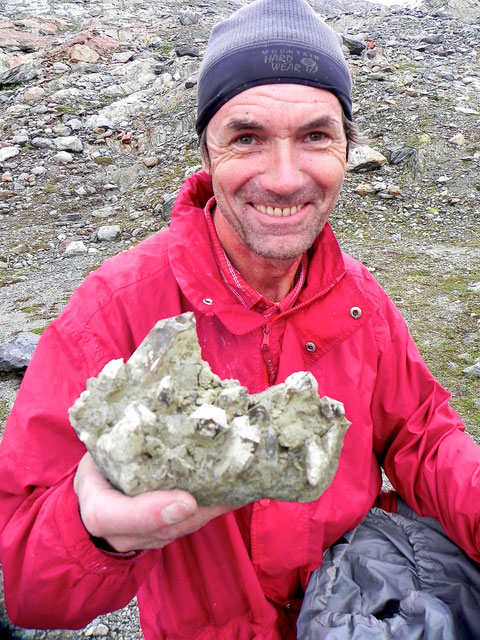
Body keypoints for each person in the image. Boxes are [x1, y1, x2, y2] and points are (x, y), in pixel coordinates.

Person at [1, 1, 480, 638]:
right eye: (246, 137)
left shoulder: (361, 299)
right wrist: (97, 532)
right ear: (205, 149)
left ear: (347, 148)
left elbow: (422, 434)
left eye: (315, 135)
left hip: (348, 608)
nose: (284, 179)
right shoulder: (114, 311)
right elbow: (28, 589)